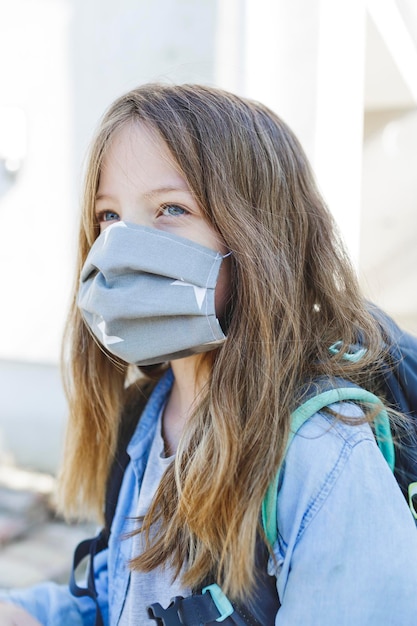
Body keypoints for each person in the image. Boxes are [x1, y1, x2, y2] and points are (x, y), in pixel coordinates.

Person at [1, 83, 416, 626]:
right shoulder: (145, 417)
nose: (123, 245)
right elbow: (119, 601)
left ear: (257, 235)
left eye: (170, 209)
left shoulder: (320, 451)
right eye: (108, 216)